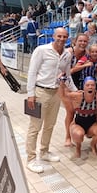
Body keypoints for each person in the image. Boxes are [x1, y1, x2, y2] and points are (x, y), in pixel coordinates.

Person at [26, 28, 77, 173]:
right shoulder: (41, 50)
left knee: (50, 125)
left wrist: (74, 90)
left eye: (64, 36)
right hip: (39, 92)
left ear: (67, 38)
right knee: (34, 127)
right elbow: (32, 72)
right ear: (53, 36)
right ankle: (30, 159)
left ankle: (44, 151)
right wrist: (31, 94)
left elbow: (67, 76)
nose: (61, 39)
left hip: (55, 93)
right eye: (59, 36)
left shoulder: (67, 54)